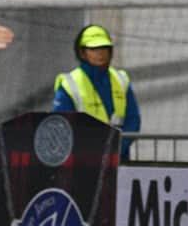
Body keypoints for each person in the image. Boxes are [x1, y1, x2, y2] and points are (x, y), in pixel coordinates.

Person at [53, 24, 141, 161]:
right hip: (83, 161)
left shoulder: (121, 79)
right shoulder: (69, 84)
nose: (100, 53)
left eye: (104, 48)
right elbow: (62, 125)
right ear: (82, 52)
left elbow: (133, 120)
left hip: (119, 160)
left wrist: (116, 151)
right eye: (93, 49)